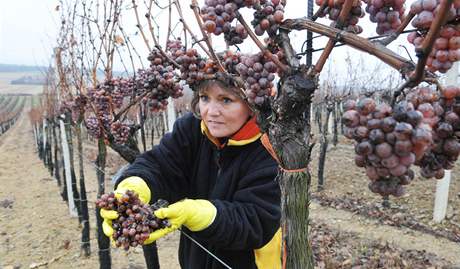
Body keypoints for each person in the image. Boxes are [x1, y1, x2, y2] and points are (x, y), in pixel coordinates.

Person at [101, 78, 281, 269]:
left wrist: (203, 215)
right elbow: (161, 164)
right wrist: (136, 184)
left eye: (226, 100)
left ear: (253, 103)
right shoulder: (193, 128)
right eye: (204, 98)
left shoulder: (271, 147)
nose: (211, 112)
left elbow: (258, 221)